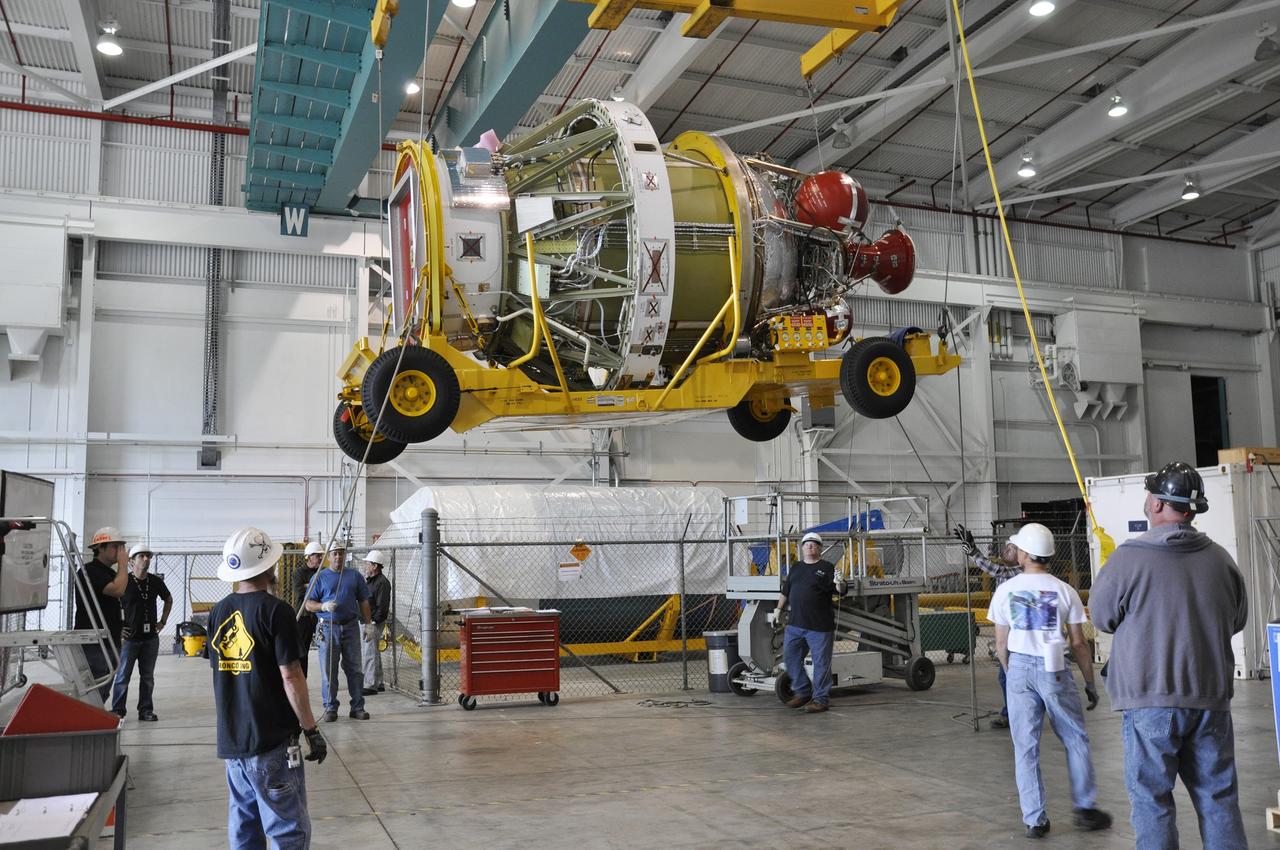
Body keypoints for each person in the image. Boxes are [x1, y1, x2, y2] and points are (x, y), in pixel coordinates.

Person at [1090, 461, 1248, 850]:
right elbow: (1237, 619)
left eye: (1149, 493)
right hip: (1211, 701)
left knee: (1152, 801)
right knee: (1218, 799)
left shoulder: (1128, 559)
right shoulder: (1221, 560)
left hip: (1150, 703)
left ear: (1159, 504)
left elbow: (1102, 618)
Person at [988, 522, 1111, 839]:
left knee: (1025, 747)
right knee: (1075, 739)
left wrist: (1012, 668)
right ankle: (1085, 808)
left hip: (1018, 669)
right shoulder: (1065, 591)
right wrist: (1089, 683)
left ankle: (1035, 819)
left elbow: (1001, 645)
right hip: (1054, 668)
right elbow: (1079, 644)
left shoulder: (1005, 591)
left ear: (1025, 554)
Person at [210, 527, 327, 849]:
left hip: (233, 742)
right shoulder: (277, 611)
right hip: (271, 741)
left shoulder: (219, 611)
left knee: (244, 826)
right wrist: (310, 729)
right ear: (269, 566)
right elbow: (291, 676)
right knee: (287, 828)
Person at [770, 532, 846, 714]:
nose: (810, 546)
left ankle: (820, 700)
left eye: (814, 544)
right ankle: (803, 691)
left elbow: (841, 591)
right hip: (795, 625)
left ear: (820, 548)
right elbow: (785, 590)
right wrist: (778, 610)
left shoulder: (827, 568)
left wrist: (839, 582)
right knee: (790, 657)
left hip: (819, 626)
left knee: (821, 663)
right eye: (807, 544)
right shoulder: (796, 568)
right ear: (802, 548)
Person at [955, 523, 1021, 729]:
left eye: (1010, 549)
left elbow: (994, 569)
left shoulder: (1018, 572)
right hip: (1011, 636)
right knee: (1006, 677)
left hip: (1016, 638)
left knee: (1009, 676)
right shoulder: (1013, 570)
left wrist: (974, 552)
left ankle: (1015, 715)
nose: (1005, 551)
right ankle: (1013, 713)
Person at [304, 540, 372, 722]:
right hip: (328, 628)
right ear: (328, 556)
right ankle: (330, 707)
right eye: (334, 553)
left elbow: (364, 600)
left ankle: (357, 707)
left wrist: (368, 624)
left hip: (350, 627)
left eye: (341, 553)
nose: (338, 556)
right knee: (329, 671)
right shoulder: (319, 577)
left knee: (355, 669)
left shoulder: (355, 576)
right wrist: (323, 606)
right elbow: (308, 604)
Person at [110, 543, 172, 720]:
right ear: (131, 562)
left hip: (150, 638)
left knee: (147, 677)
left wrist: (162, 622)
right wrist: (117, 628)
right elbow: (111, 605)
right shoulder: (123, 582)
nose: (146, 559)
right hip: (129, 639)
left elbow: (168, 599)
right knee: (122, 676)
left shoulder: (155, 582)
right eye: (141, 556)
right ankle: (118, 711)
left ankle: (145, 710)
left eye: (148, 556)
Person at [74, 527, 129, 701]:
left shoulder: (110, 573)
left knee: (104, 687)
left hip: (109, 639)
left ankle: (94, 716)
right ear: (100, 548)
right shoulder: (90, 571)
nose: (120, 552)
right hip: (94, 642)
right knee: (96, 686)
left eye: (121, 547)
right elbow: (118, 590)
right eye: (115, 547)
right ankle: (88, 719)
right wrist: (123, 564)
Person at [292, 542, 325, 677]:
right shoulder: (298, 573)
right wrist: (313, 585)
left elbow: (325, 590)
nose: (320, 558)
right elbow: (300, 592)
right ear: (309, 557)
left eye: (321, 556)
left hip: (320, 614)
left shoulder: (323, 572)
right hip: (304, 615)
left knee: (325, 647)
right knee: (302, 649)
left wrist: (309, 586)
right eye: (317, 556)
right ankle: (301, 678)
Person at [361, 550, 391, 696]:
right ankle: (378, 683)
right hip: (369, 620)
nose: (365, 566)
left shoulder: (382, 583)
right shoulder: (371, 581)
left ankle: (370, 684)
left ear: (374, 566)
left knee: (369, 652)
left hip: (373, 622)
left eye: (367, 563)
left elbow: (382, 606)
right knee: (373, 652)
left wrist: (372, 622)